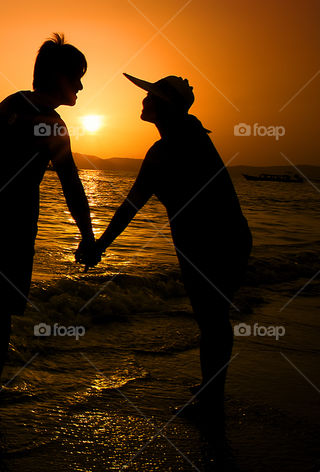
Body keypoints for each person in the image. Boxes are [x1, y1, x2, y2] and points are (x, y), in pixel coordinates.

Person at [0, 33, 99, 418]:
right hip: (10, 230)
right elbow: (71, 182)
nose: (80, 85)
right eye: (76, 76)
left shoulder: (9, 105)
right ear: (57, 76)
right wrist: (88, 234)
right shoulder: (47, 122)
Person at [95, 73, 251, 423]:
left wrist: (100, 246)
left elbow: (132, 204)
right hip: (225, 238)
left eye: (150, 96)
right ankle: (213, 389)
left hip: (211, 242)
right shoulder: (189, 133)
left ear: (164, 106)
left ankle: (212, 404)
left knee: (211, 320)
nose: (143, 100)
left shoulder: (169, 148)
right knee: (213, 319)